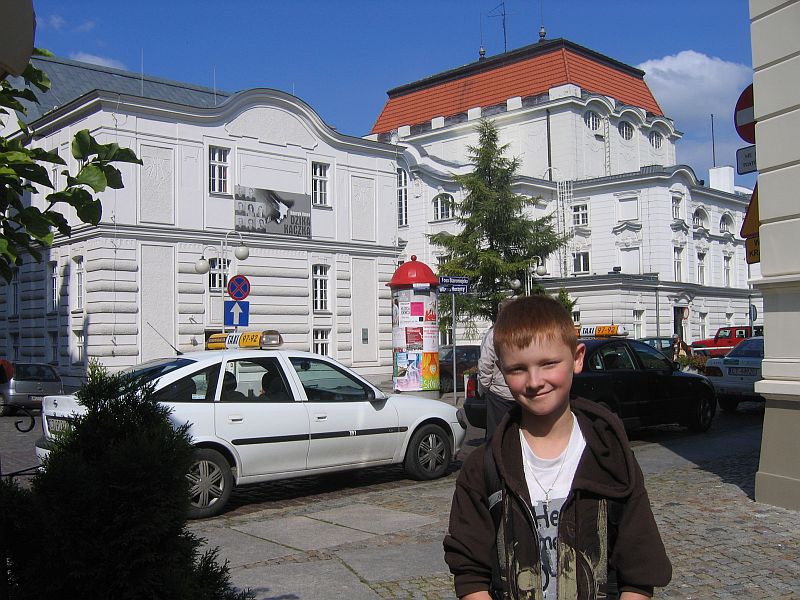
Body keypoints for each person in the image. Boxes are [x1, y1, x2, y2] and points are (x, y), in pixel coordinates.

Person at [444, 295, 671, 600]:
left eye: (548, 364)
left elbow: (639, 573)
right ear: (501, 370)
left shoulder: (611, 457)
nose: (534, 381)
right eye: (518, 369)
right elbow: (470, 575)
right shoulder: (483, 468)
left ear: (577, 358)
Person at [478, 298, 515, 441]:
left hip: (498, 394)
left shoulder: (494, 334)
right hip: (519, 393)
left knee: (495, 437)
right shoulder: (523, 332)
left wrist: (486, 388)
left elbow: (485, 364)